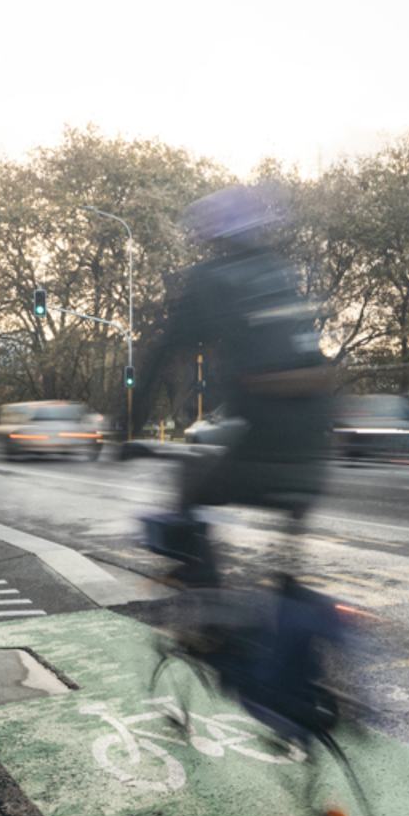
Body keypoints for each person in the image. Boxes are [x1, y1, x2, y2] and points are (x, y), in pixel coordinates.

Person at [140, 183, 335, 586]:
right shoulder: (282, 271)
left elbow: (162, 351)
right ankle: (287, 582)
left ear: (213, 234)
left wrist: (128, 417)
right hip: (314, 454)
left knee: (191, 482)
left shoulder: (209, 279)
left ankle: (206, 594)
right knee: (289, 510)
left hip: (261, 448)